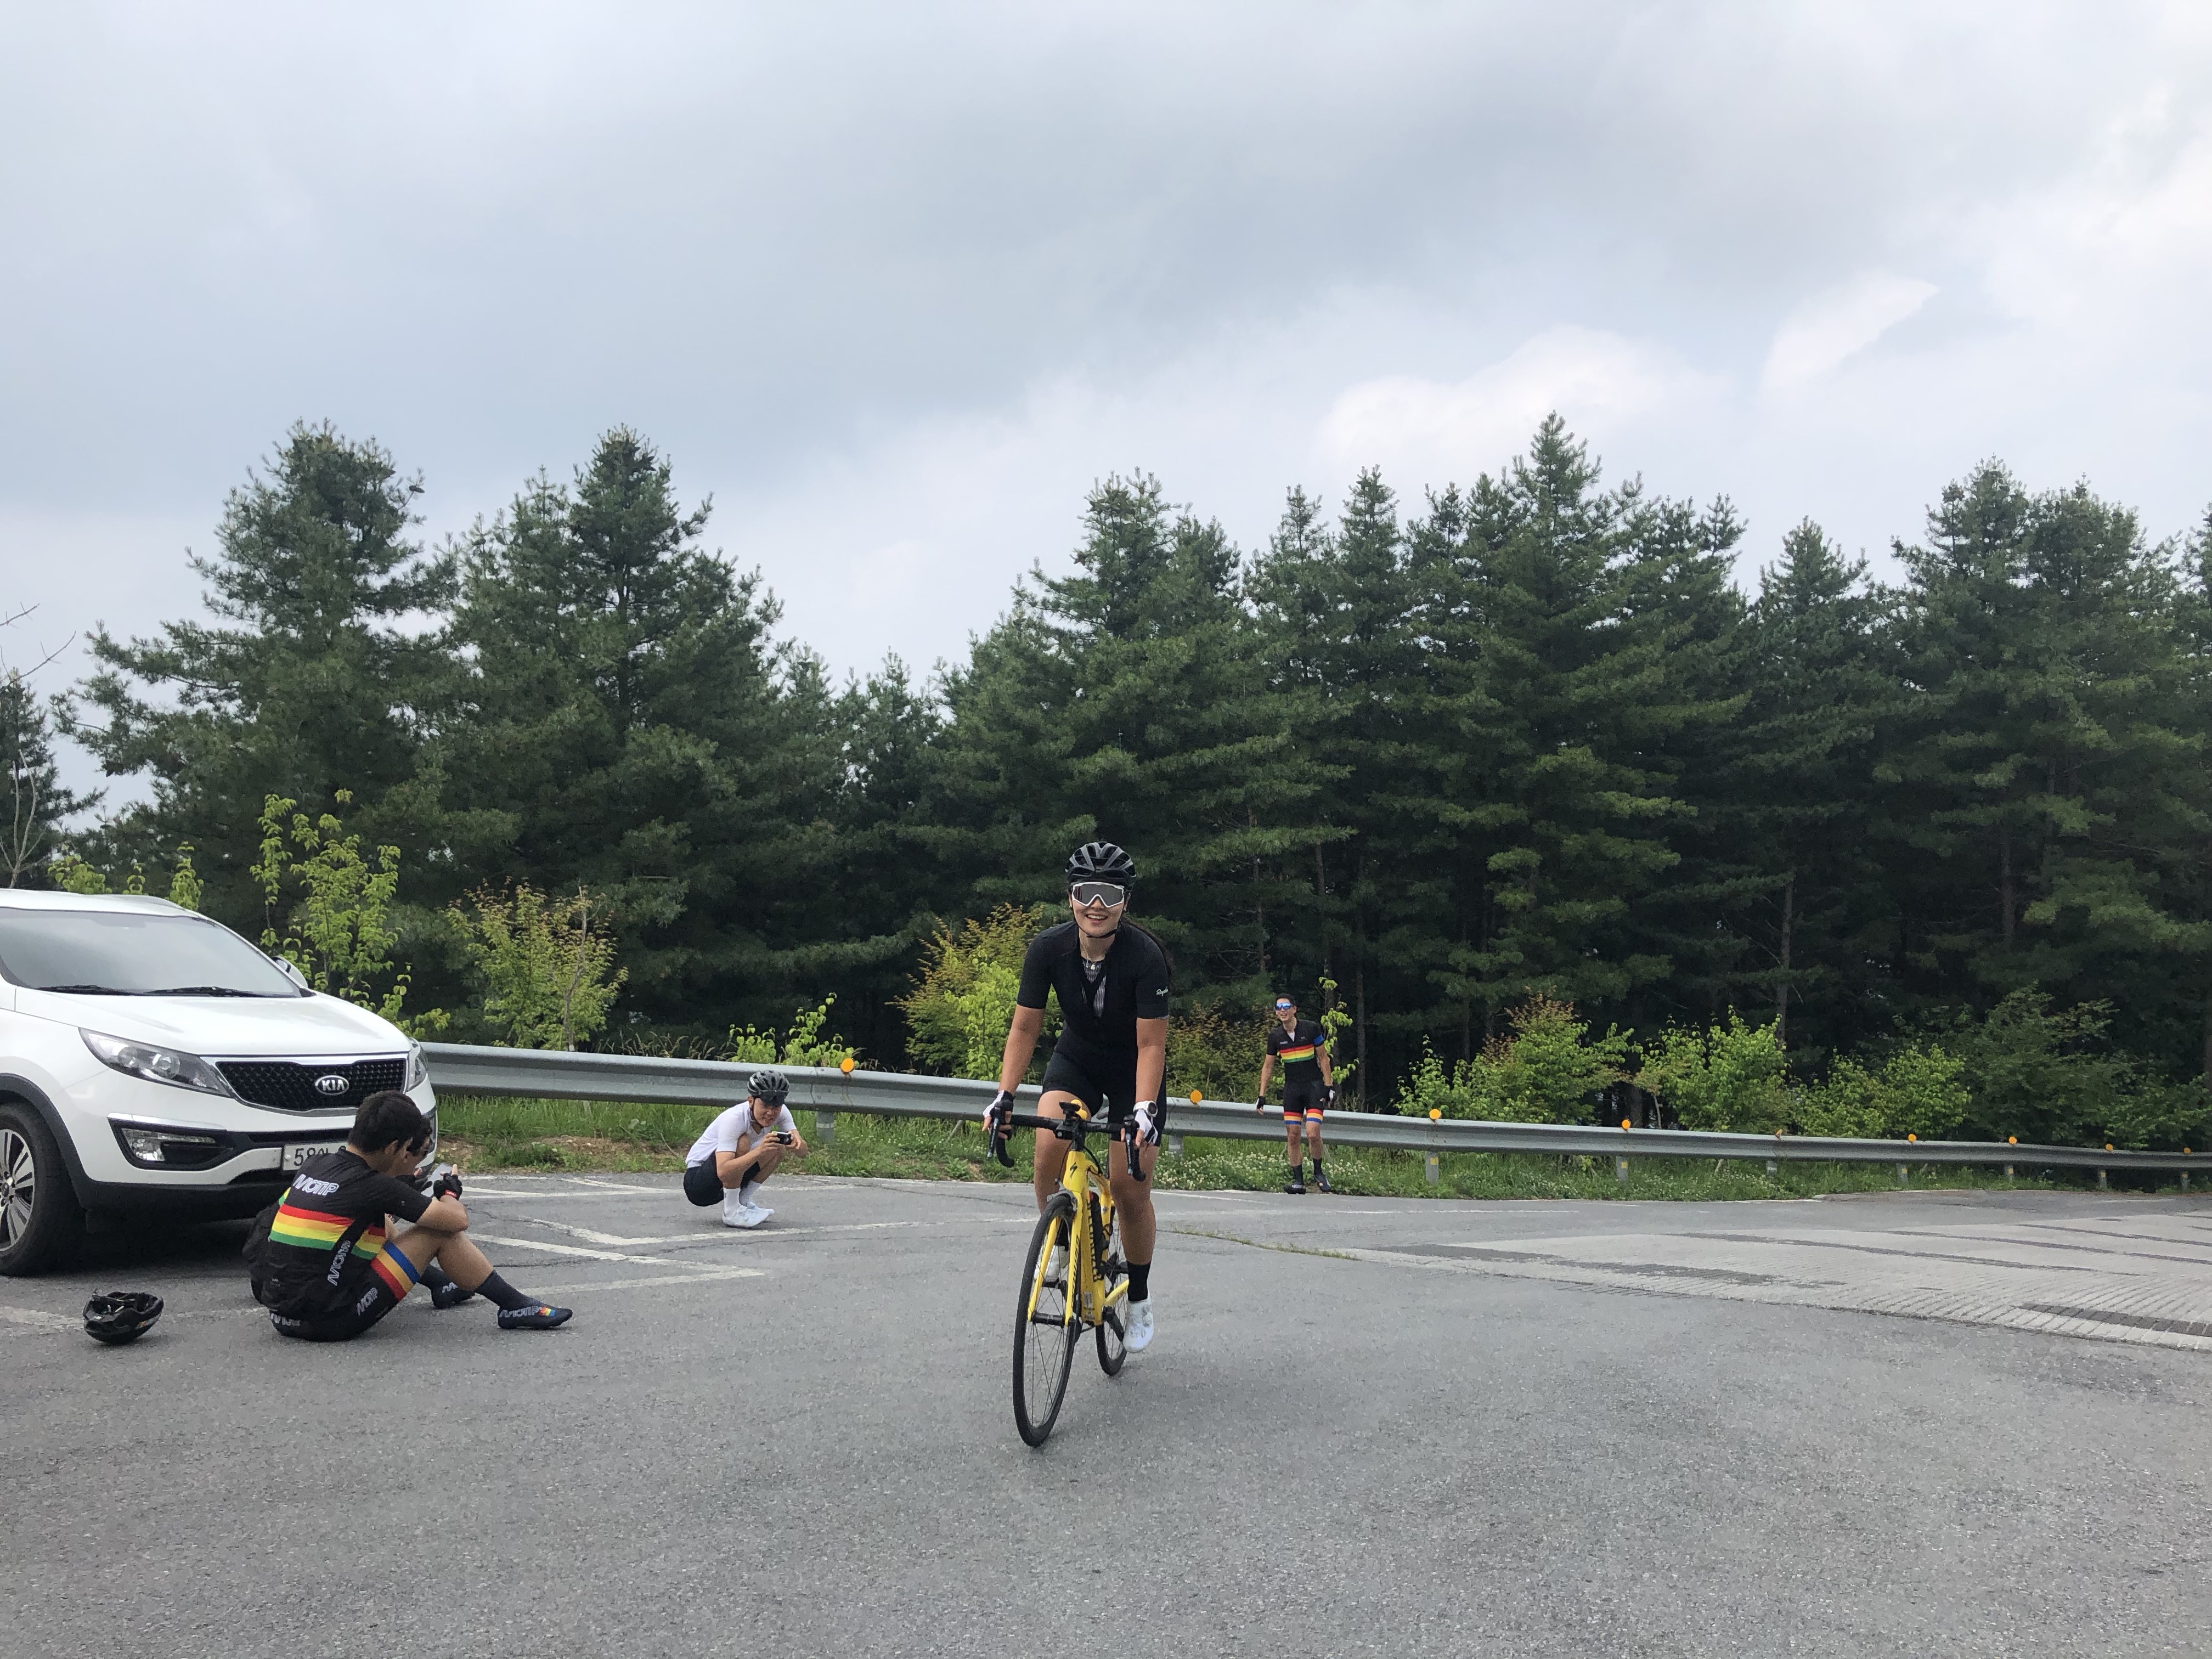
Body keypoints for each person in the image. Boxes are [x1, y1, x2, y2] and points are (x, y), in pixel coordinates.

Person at [983, 841, 1168, 1354]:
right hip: (1078, 1059)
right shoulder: (1048, 949)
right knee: (1049, 1144)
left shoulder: (1145, 956)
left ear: (1125, 901)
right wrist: (1004, 1096)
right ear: (1071, 897)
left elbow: (1151, 1045)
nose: (1097, 905)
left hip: (1133, 1068)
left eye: (1110, 894)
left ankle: (1139, 1297)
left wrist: (1144, 1111)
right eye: (1087, 892)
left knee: (1129, 1188)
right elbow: (1025, 1028)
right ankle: (1063, 1239)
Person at [255, 1091, 572, 1340]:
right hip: (329, 1322)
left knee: (375, 1223)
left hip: (281, 1317)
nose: (410, 1158)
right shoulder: (374, 1186)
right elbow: (457, 1221)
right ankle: (514, 1306)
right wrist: (449, 1193)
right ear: (394, 1147)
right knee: (437, 1233)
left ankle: (443, 1285)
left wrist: (399, 1189)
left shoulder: (317, 1165)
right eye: (410, 1151)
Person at [683, 1069, 808, 1228]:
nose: (771, 1113)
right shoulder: (734, 1119)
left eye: (776, 1107)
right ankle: (731, 1211)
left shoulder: (782, 1112)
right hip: (698, 1184)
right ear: (751, 1101)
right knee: (743, 1143)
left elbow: (803, 1153)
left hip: (725, 1180)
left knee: (778, 1148)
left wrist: (797, 1145)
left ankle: (742, 1202)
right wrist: (760, 1151)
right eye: (765, 1105)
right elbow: (723, 1171)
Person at [1255, 993, 1335, 1194]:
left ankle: (1318, 1173)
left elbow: (1323, 1058)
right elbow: (1268, 1066)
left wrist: (1329, 1086)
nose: (1282, 1011)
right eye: (1278, 1008)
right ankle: (1298, 1181)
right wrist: (1262, 1095)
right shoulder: (1275, 1037)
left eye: (1286, 1006)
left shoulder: (1310, 1028)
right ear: (1276, 1013)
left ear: (1294, 1009)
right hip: (1292, 1089)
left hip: (1313, 1086)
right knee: (1293, 1135)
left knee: (1313, 1132)